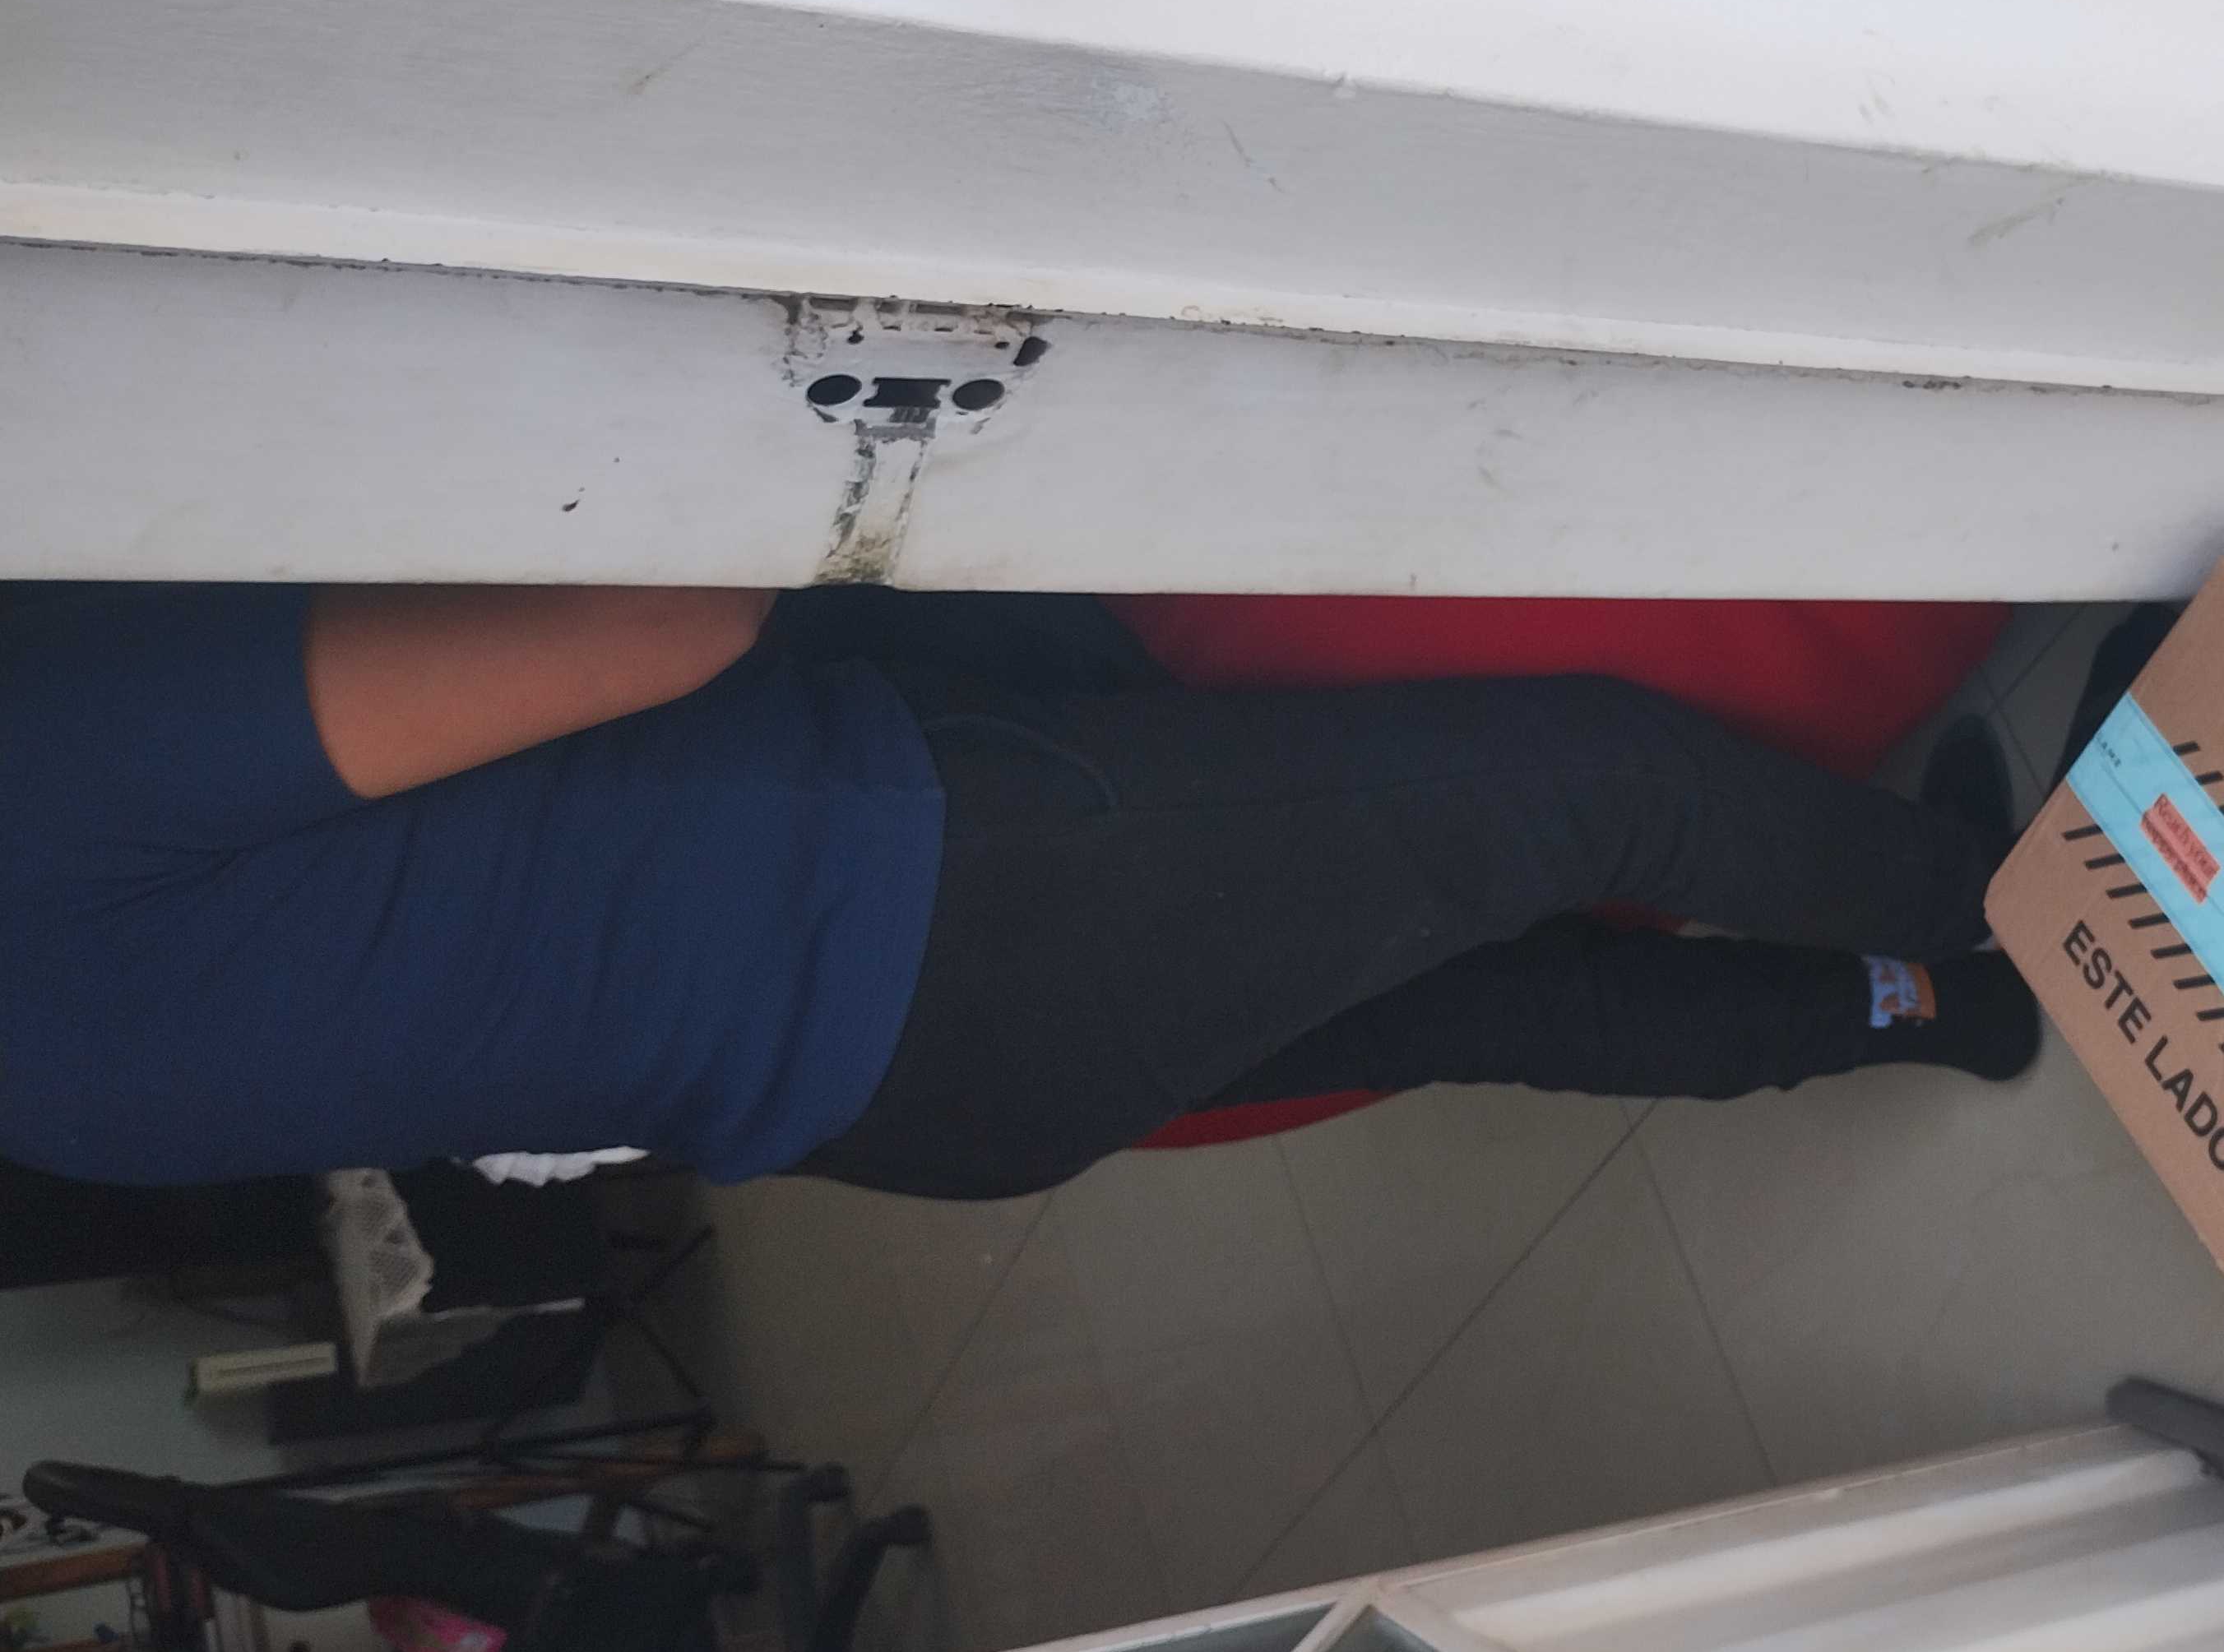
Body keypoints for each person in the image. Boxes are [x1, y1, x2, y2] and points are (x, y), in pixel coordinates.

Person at [0, 582, 2042, 1201]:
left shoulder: (43, 1107)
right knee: (1582, 788)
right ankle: (2013, 912)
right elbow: (666, 623)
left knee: (1495, 1001)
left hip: (891, 1107)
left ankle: (1929, 1014)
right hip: (948, 889)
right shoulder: (44, 737)